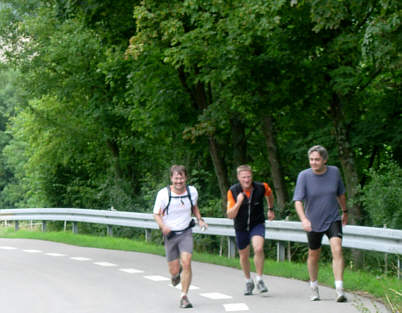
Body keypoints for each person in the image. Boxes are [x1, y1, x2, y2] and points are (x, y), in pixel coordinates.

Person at [293, 145, 348, 302]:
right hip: (313, 222)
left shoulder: (334, 172)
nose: (314, 162)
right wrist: (304, 219)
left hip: (333, 218)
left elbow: (341, 194)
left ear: (325, 160)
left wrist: (345, 211)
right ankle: (314, 287)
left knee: (337, 250)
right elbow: (298, 201)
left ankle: (339, 290)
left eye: (317, 159)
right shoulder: (304, 176)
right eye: (311, 159)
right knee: (313, 254)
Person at [153, 165, 208, 309]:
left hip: (185, 232)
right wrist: (163, 226)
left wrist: (199, 219)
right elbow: (156, 214)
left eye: (181, 178)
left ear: (186, 178)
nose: (179, 181)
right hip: (170, 234)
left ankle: (184, 296)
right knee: (174, 270)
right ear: (171, 178)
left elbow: (194, 206)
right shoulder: (163, 194)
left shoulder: (192, 191)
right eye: (176, 178)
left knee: (187, 262)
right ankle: (175, 275)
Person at [227, 164, 275, 295]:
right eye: (243, 177)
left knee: (258, 248)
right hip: (241, 226)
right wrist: (238, 202)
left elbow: (270, 195)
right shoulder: (233, 191)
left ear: (252, 176)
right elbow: (230, 214)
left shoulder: (261, 187)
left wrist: (271, 209)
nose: (247, 180)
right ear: (238, 177)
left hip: (257, 223)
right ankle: (248, 281)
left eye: (248, 177)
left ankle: (259, 279)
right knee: (244, 255)